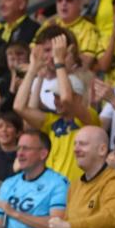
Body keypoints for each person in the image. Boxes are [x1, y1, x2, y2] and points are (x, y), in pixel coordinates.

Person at [14, 33, 100, 182]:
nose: (57, 100)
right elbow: (19, 107)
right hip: (52, 192)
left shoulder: (89, 119)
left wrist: (59, 62)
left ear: (78, 97)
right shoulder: (51, 121)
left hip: (78, 191)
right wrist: (33, 68)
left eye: (59, 95)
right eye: (55, 96)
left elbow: (67, 100)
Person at [40, 0, 102, 70]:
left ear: (80, 3)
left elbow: (85, 63)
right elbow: (34, 51)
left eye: (69, 0)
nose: (63, 3)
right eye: (60, 0)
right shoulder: (48, 24)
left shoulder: (89, 29)